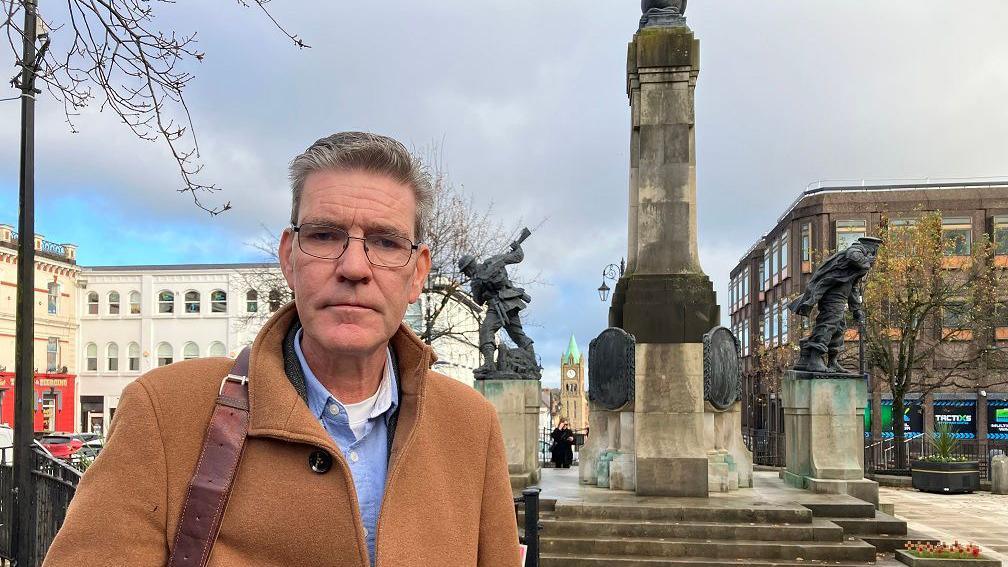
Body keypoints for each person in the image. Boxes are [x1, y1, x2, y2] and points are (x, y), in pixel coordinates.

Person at [44, 132, 520, 567]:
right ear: (288, 258)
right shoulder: (167, 412)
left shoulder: (471, 427)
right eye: (325, 235)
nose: (354, 266)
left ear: (418, 273)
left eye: (385, 241)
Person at [788, 236, 883, 373]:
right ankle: (815, 358)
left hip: (840, 298)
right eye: (875, 250)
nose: (875, 254)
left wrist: (856, 310)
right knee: (829, 323)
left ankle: (832, 361)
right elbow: (852, 255)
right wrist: (867, 261)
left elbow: (853, 288)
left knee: (839, 328)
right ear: (871, 248)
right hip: (832, 296)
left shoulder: (854, 270)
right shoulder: (857, 250)